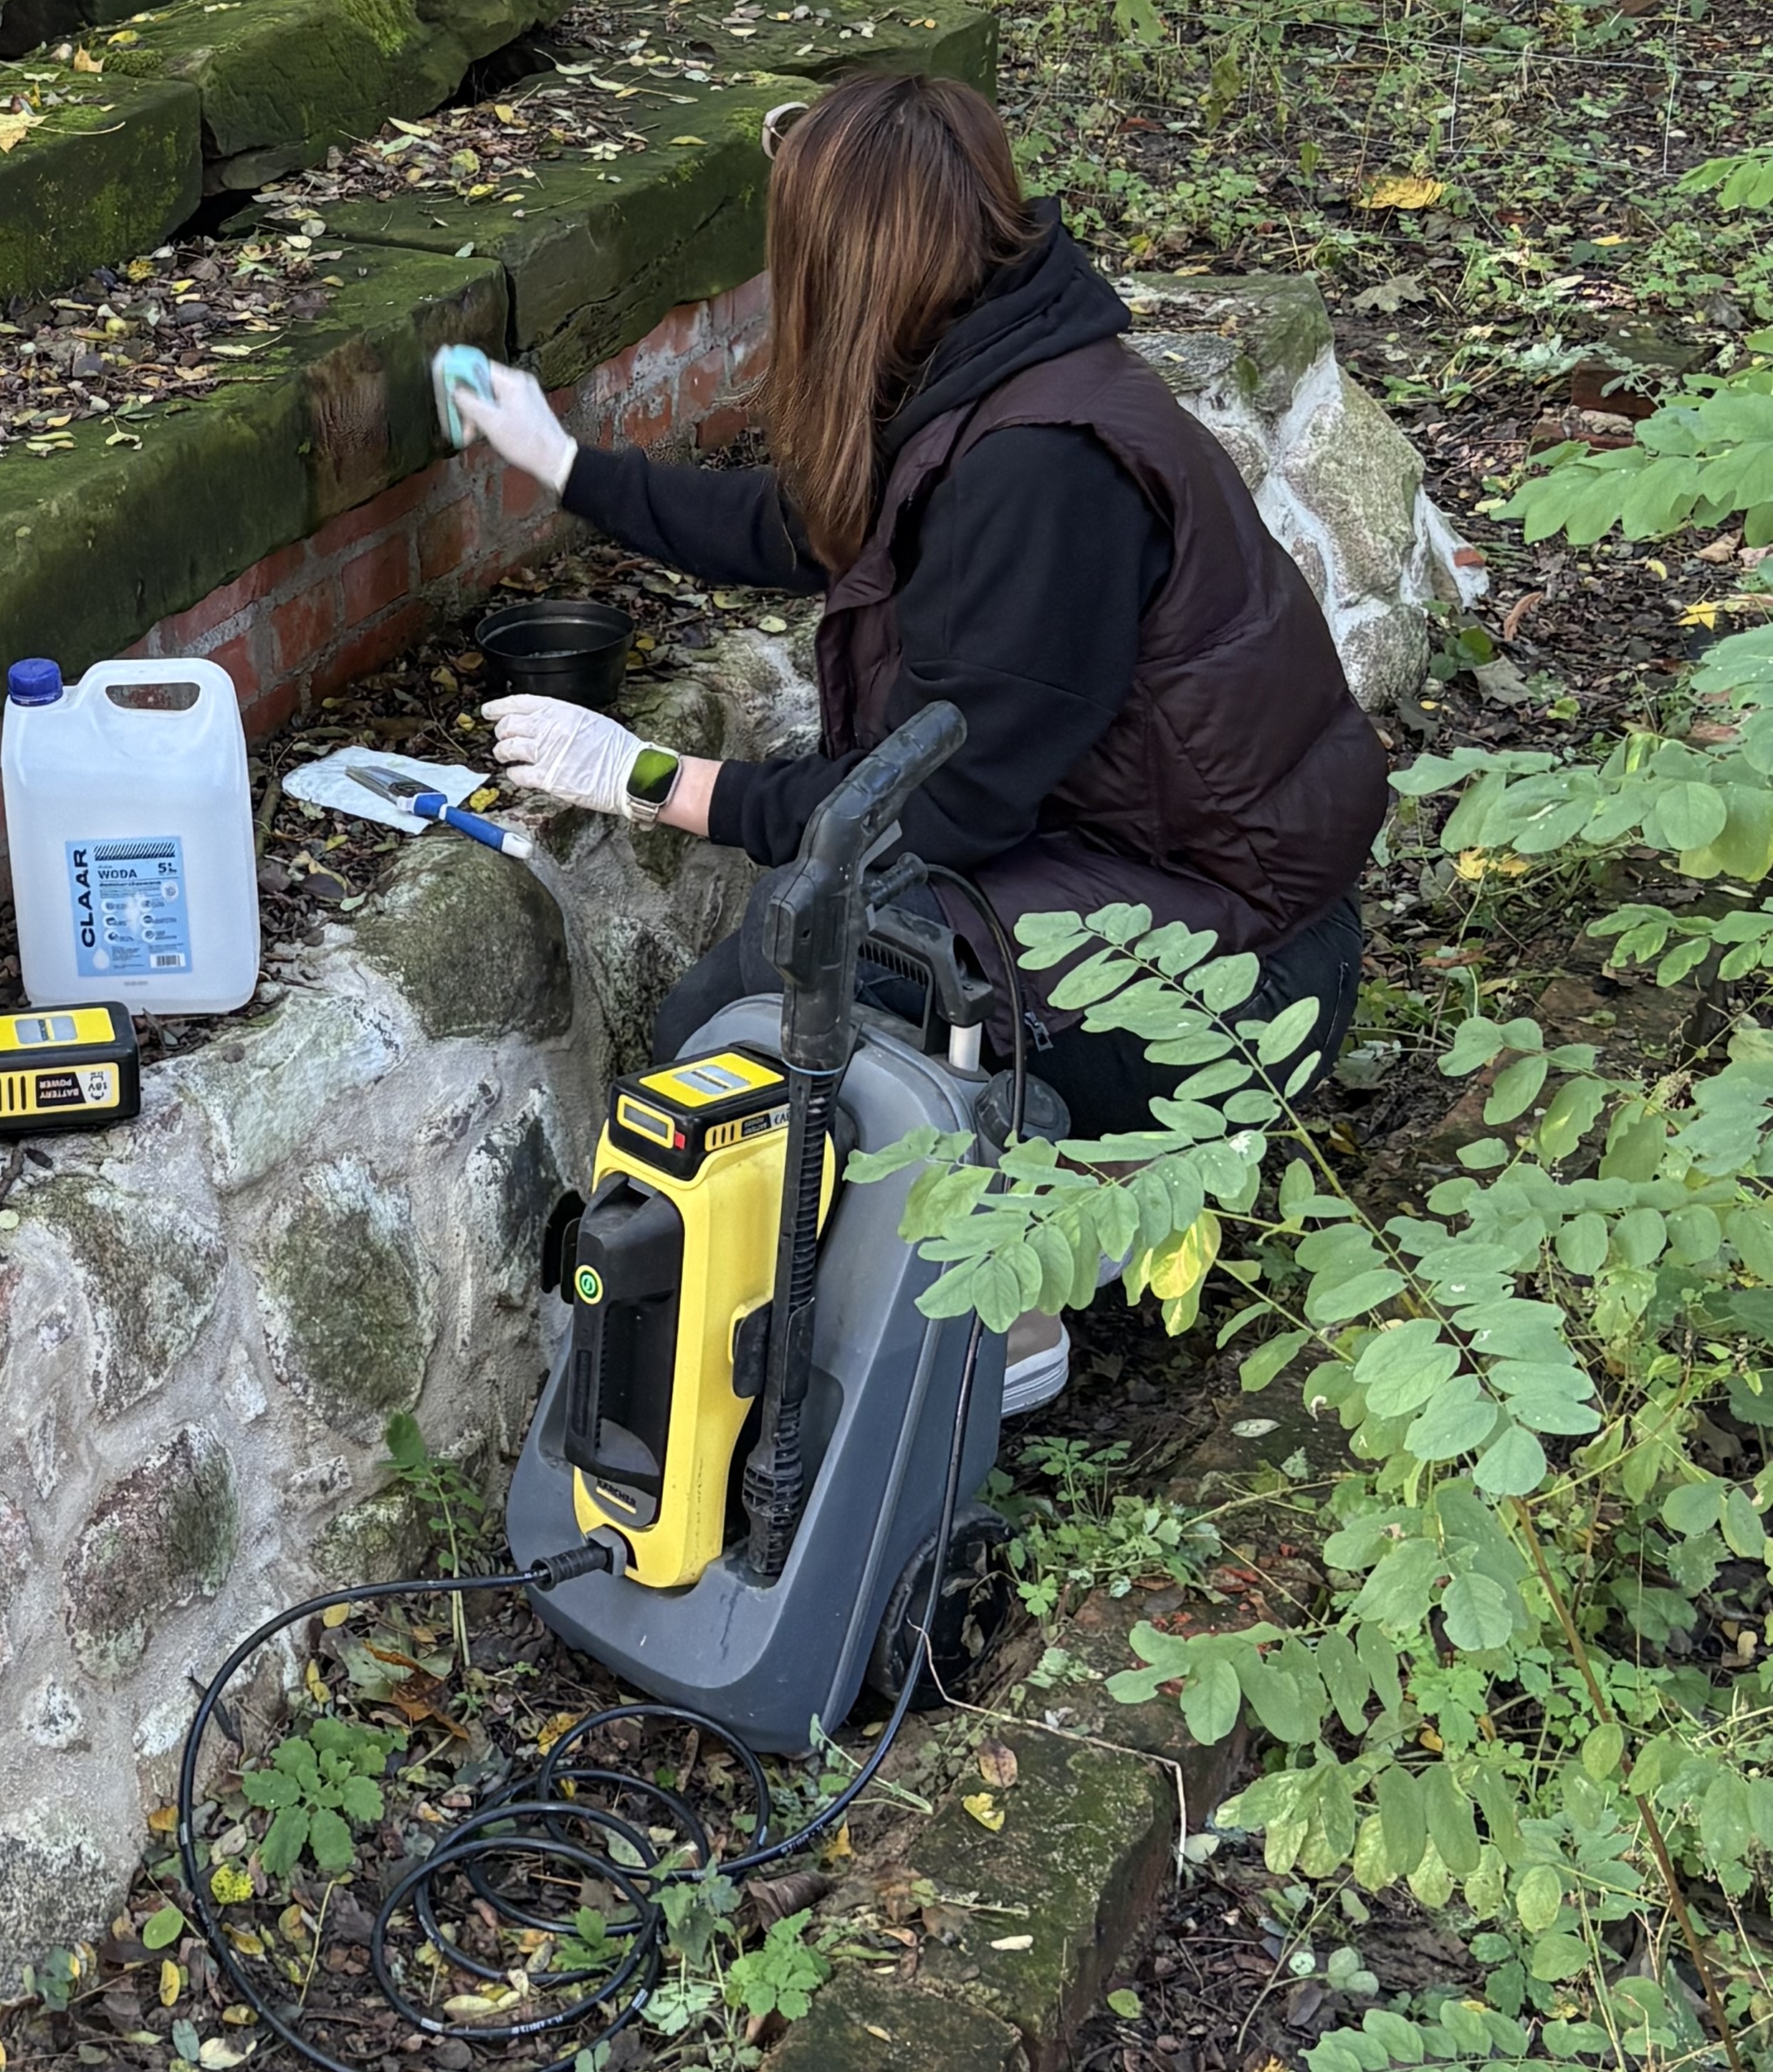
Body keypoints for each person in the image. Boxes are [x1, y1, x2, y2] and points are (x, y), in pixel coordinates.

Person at [443, 69, 1387, 1395]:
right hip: (1156, 878)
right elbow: (804, 523)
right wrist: (566, 464)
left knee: (760, 1021)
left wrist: (651, 776)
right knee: (786, 972)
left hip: (1242, 984)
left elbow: (936, 807)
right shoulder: (982, 359)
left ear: (846, 258)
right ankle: (961, 1235)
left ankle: (1018, 1306)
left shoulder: (1042, 467)